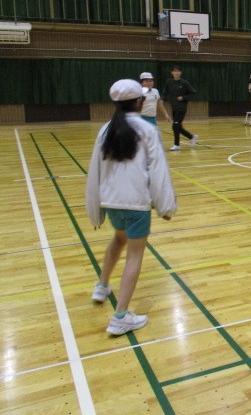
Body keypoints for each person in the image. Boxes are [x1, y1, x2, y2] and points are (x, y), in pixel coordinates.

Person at [86, 79, 177, 335]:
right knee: (134, 256)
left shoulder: (105, 129)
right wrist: (165, 206)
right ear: (139, 102)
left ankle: (102, 286)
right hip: (136, 204)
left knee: (119, 239)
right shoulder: (147, 130)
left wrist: (95, 208)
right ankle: (120, 317)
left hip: (111, 201)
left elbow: (95, 170)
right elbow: (158, 171)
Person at [162, 65, 198, 151]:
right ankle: (192, 137)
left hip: (181, 108)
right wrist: (162, 99)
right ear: (172, 72)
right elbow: (165, 92)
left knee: (175, 126)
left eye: (178, 71)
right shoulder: (169, 82)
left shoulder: (184, 83)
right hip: (174, 107)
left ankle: (177, 145)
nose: (176, 72)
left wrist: (183, 97)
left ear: (181, 72)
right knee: (177, 126)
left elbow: (193, 93)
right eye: (175, 71)